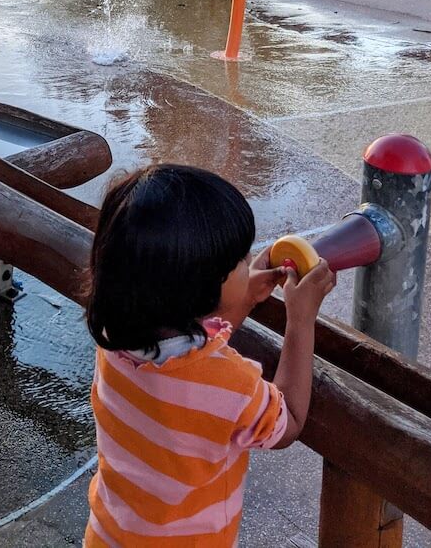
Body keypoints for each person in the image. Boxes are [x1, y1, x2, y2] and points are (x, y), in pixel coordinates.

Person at [84, 164, 335, 547]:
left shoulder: (115, 346)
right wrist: (301, 321)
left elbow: (189, 341)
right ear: (200, 290)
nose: (247, 262)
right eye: (238, 261)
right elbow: (289, 421)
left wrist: (244, 293)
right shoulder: (230, 382)